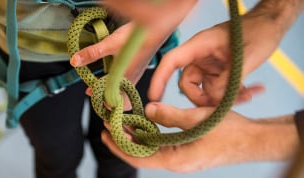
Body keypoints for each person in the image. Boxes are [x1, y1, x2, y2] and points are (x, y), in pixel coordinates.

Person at [71, 0, 304, 173]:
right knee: (57, 152)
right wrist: (274, 14)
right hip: (45, 63)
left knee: (117, 157)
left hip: (137, 53)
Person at [0, 0, 196, 178]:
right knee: (57, 157)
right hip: (32, 53)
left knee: (122, 152)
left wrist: (152, 35)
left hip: (140, 43)